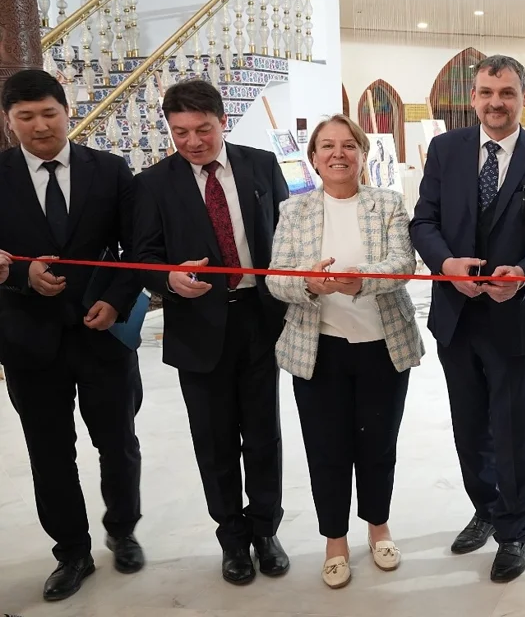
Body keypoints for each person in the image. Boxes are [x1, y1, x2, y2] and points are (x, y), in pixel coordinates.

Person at [410, 55, 525, 583]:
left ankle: (515, 530)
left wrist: (522, 274)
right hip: (456, 314)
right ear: (473, 97)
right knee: (469, 424)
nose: (495, 103)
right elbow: (424, 221)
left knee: (513, 429)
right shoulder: (445, 150)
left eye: (506, 93)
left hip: (514, 315)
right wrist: (444, 265)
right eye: (486, 93)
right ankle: (485, 506)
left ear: (524, 97)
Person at [133, 79, 292, 584]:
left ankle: (265, 530)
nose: (193, 141)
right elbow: (143, 255)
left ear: (223, 121)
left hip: (259, 317)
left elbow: (286, 233)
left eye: (203, 129)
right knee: (214, 438)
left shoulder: (260, 165)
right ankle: (233, 539)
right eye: (180, 132)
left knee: (263, 434)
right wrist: (168, 279)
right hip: (197, 326)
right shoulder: (153, 183)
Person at [0, 69, 145, 601]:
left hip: (101, 331)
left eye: (49, 113)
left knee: (118, 442)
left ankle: (123, 530)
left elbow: (138, 249)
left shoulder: (109, 170)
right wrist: (21, 274)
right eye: (26, 117)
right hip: (28, 340)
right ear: (8, 121)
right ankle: (72, 551)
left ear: (67, 111)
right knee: (49, 451)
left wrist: (117, 300)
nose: (40, 126)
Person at [267, 114, 424, 588]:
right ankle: (334, 540)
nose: (338, 154)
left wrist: (363, 280)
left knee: (378, 445)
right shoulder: (294, 210)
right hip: (319, 350)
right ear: (313, 158)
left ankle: (378, 528)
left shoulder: (388, 203)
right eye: (327, 146)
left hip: (382, 346)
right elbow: (276, 277)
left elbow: (403, 263)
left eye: (349, 145)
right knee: (326, 449)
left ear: (363, 154)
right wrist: (308, 284)